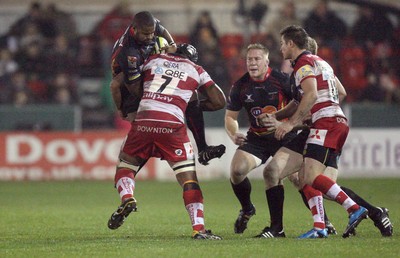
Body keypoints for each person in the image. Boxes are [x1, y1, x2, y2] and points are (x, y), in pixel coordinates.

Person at [264, 36, 393, 238]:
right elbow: (339, 93)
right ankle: (331, 222)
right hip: (323, 125)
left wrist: (308, 116)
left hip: (318, 128)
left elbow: (310, 98)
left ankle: (362, 213)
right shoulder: (321, 67)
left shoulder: (306, 67)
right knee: (310, 180)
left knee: (309, 179)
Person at [107, 43, 226, 240]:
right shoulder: (196, 69)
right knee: (188, 180)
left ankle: (127, 197)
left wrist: (127, 106)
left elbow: (121, 82)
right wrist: (183, 103)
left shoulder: (153, 60)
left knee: (126, 166)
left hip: (145, 118)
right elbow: (219, 101)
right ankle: (199, 229)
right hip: (172, 125)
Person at [110, 11, 225, 165]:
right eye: (146, 34)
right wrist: (122, 108)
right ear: (134, 29)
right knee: (142, 140)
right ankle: (127, 171)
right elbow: (124, 86)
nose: (150, 37)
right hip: (129, 87)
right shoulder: (131, 54)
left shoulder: (148, 27)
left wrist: (171, 45)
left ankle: (203, 149)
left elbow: (161, 30)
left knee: (192, 97)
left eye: (152, 33)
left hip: (144, 77)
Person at [225, 43, 296, 238]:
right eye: (249, 59)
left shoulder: (282, 80)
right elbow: (230, 117)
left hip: (283, 137)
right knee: (237, 171)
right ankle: (248, 209)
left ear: (267, 61)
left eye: (257, 59)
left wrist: (288, 124)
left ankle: (322, 221)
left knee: (298, 179)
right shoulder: (240, 86)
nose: (252, 63)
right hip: (257, 139)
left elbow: (299, 105)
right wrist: (233, 134)